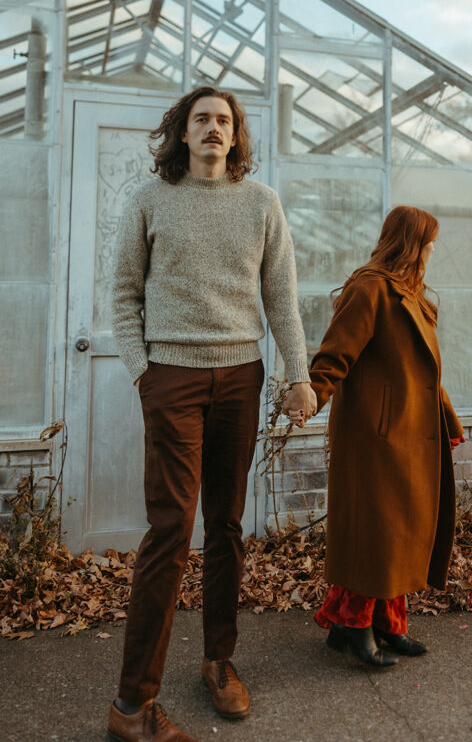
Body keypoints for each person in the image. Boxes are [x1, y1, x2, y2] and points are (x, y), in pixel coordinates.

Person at [109, 86, 316, 742]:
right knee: (170, 530)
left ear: (235, 135)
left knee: (225, 524)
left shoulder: (261, 203)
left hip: (240, 380)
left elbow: (281, 296)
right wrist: (145, 372)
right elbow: (123, 292)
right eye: (200, 118)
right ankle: (132, 704)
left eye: (223, 120)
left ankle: (217, 662)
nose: (212, 129)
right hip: (170, 377)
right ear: (182, 132)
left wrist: (298, 375)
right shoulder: (148, 201)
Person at [288, 206, 465, 668]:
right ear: (410, 243)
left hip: (409, 435)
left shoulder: (410, 294)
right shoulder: (370, 289)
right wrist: (311, 396)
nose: (431, 251)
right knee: (376, 536)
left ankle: (387, 625)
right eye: (428, 243)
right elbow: (334, 354)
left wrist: (448, 418)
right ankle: (355, 627)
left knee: (400, 536)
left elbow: (424, 371)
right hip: (375, 438)